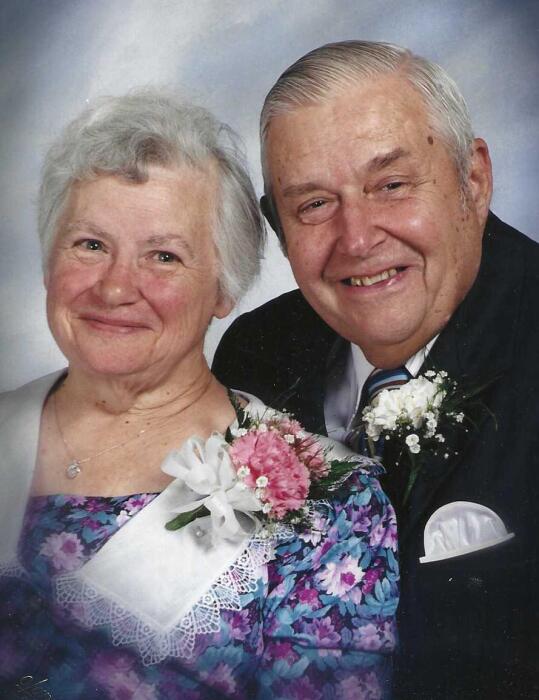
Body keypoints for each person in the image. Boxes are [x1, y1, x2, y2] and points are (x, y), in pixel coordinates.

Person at [0, 89, 398, 700]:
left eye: (164, 256)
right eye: (90, 244)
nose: (115, 288)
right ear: (50, 260)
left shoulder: (334, 508)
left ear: (224, 289)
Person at [213, 41, 539, 698]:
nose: (357, 238)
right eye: (313, 204)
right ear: (278, 228)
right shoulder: (254, 354)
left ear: (473, 180)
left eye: (391, 185)